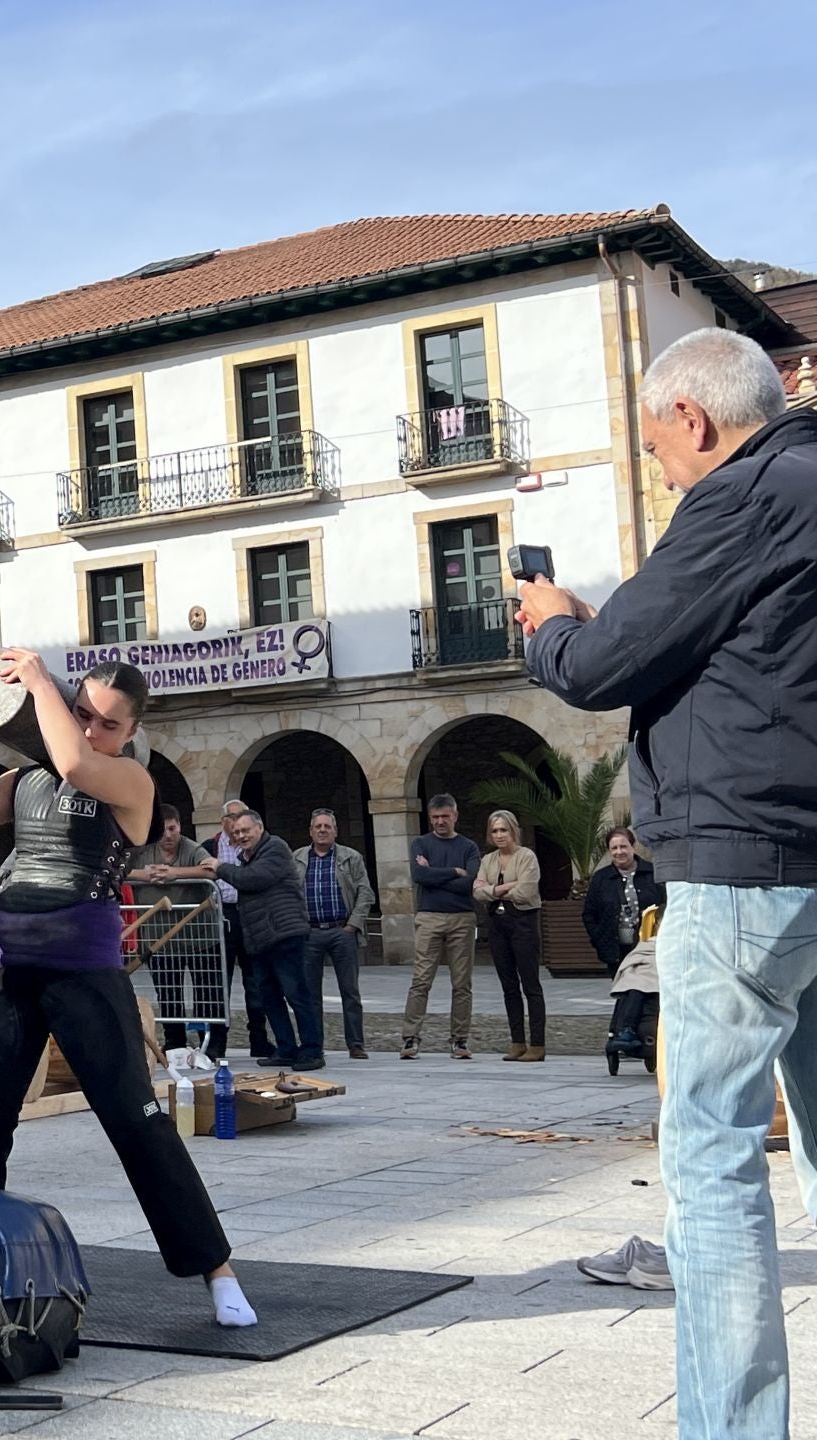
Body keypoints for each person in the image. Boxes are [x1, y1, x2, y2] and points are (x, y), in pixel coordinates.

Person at [520, 328, 817, 1440]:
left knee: (714, 1162)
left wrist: (554, 630)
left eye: (658, 451)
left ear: (690, 419)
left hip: (747, 870)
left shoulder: (742, 495)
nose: (666, 470)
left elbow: (600, 671)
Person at [0, 651, 257, 1334]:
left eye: (107, 723)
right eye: (81, 713)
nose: (89, 730)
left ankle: (216, 1268)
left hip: (83, 963)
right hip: (6, 959)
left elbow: (79, 765)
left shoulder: (131, 781)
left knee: (136, 1123)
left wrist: (44, 687)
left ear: (131, 732)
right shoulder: (25, 777)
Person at [206, 809, 321, 1069]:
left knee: (297, 994)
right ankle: (287, 1048)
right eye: (236, 832)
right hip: (260, 939)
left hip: (285, 934)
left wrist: (219, 867)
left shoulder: (275, 848)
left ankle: (313, 1050)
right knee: (268, 997)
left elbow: (252, 880)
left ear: (259, 828)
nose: (241, 836)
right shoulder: (248, 857)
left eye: (245, 830)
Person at [128, 805, 218, 1051]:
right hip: (159, 940)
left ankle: (209, 1044)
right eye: (163, 829)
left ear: (180, 826)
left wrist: (174, 874)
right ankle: (175, 1042)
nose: (168, 835)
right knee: (169, 994)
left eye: (173, 828)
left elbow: (210, 868)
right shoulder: (143, 852)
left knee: (207, 993)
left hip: (199, 938)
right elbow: (118, 870)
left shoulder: (191, 848)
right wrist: (144, 876)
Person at [400, 794, 480, 1060]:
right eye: (435, 817)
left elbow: (469, 882)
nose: (440, 822)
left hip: (462, 918)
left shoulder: (468, 847)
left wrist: (436, 873)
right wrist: (453, 872)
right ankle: (410, 1037)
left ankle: (459, 1039)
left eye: (445, 816)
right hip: (429, 916)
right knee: (421, 980)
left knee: (462, 982)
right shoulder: (421, 843)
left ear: (455, 815)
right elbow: (419, 876)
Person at [292, 809, 376, 1060]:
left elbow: (365, 892)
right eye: (317, 826)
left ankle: (356, 1043)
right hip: (310, 933)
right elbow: (288, 892)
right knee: (310, 994)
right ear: (310, 831)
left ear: (335, 831)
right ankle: (314, 1044)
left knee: (349, 991)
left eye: (327, 826)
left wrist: (353, 924)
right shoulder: (296, 859)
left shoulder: (351, 857)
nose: (322, 830)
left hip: (342, 930)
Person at [472, 810, 545, 1062]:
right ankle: (517, 1041)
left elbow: (525, 891)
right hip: (497, 923)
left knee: (530, 984)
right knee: (508, 985)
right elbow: (477, 892)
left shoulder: (527, 857)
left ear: (513, 830)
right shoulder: (488, 860)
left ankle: (537, 1043)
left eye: (504, 830)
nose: (499, 835)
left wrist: (491, 890)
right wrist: (505, 886)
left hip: (522, 922)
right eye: (495, 831)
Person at [207, 799, 269, 1060]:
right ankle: (217, 1043)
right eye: (231, 817)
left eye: (240, 817)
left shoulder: (254, 848)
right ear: (223, 821)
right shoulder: (209, 847)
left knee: (255, 981)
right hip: (221, 916)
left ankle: (259, 1039)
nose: (236, 824)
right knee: (219, 982)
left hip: (248, 914)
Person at [583, 826, 664, 977]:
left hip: (649, 946)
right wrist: (598, 937)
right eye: (614, 848)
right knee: (621, 992)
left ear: (632, 847)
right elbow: (589, 914)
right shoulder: (601, 878)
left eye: (623, 846)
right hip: (616, 949)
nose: (619, 852)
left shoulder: (653, 873)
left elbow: (665, 907)